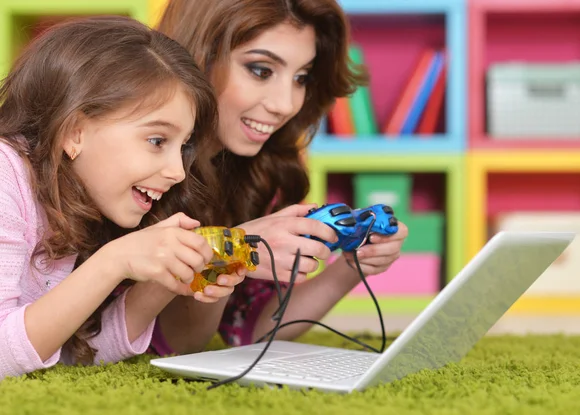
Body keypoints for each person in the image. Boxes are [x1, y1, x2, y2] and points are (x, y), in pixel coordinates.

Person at [151, 0, 408, 355]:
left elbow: (252, 328)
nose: (286, 104)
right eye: (261, 70)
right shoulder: (139, 169)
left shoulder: (258, 170)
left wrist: (352, 265)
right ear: (198, 56)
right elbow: (174, 342)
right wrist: (237, 248)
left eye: (301, 77)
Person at [0, 15, 246, 380]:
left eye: (183, 146)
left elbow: (70, 351)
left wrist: (164, 280)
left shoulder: (77, 198)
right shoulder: (6, 174)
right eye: (157, 141)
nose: (178, 172)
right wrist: (114, 260)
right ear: (74, 131)